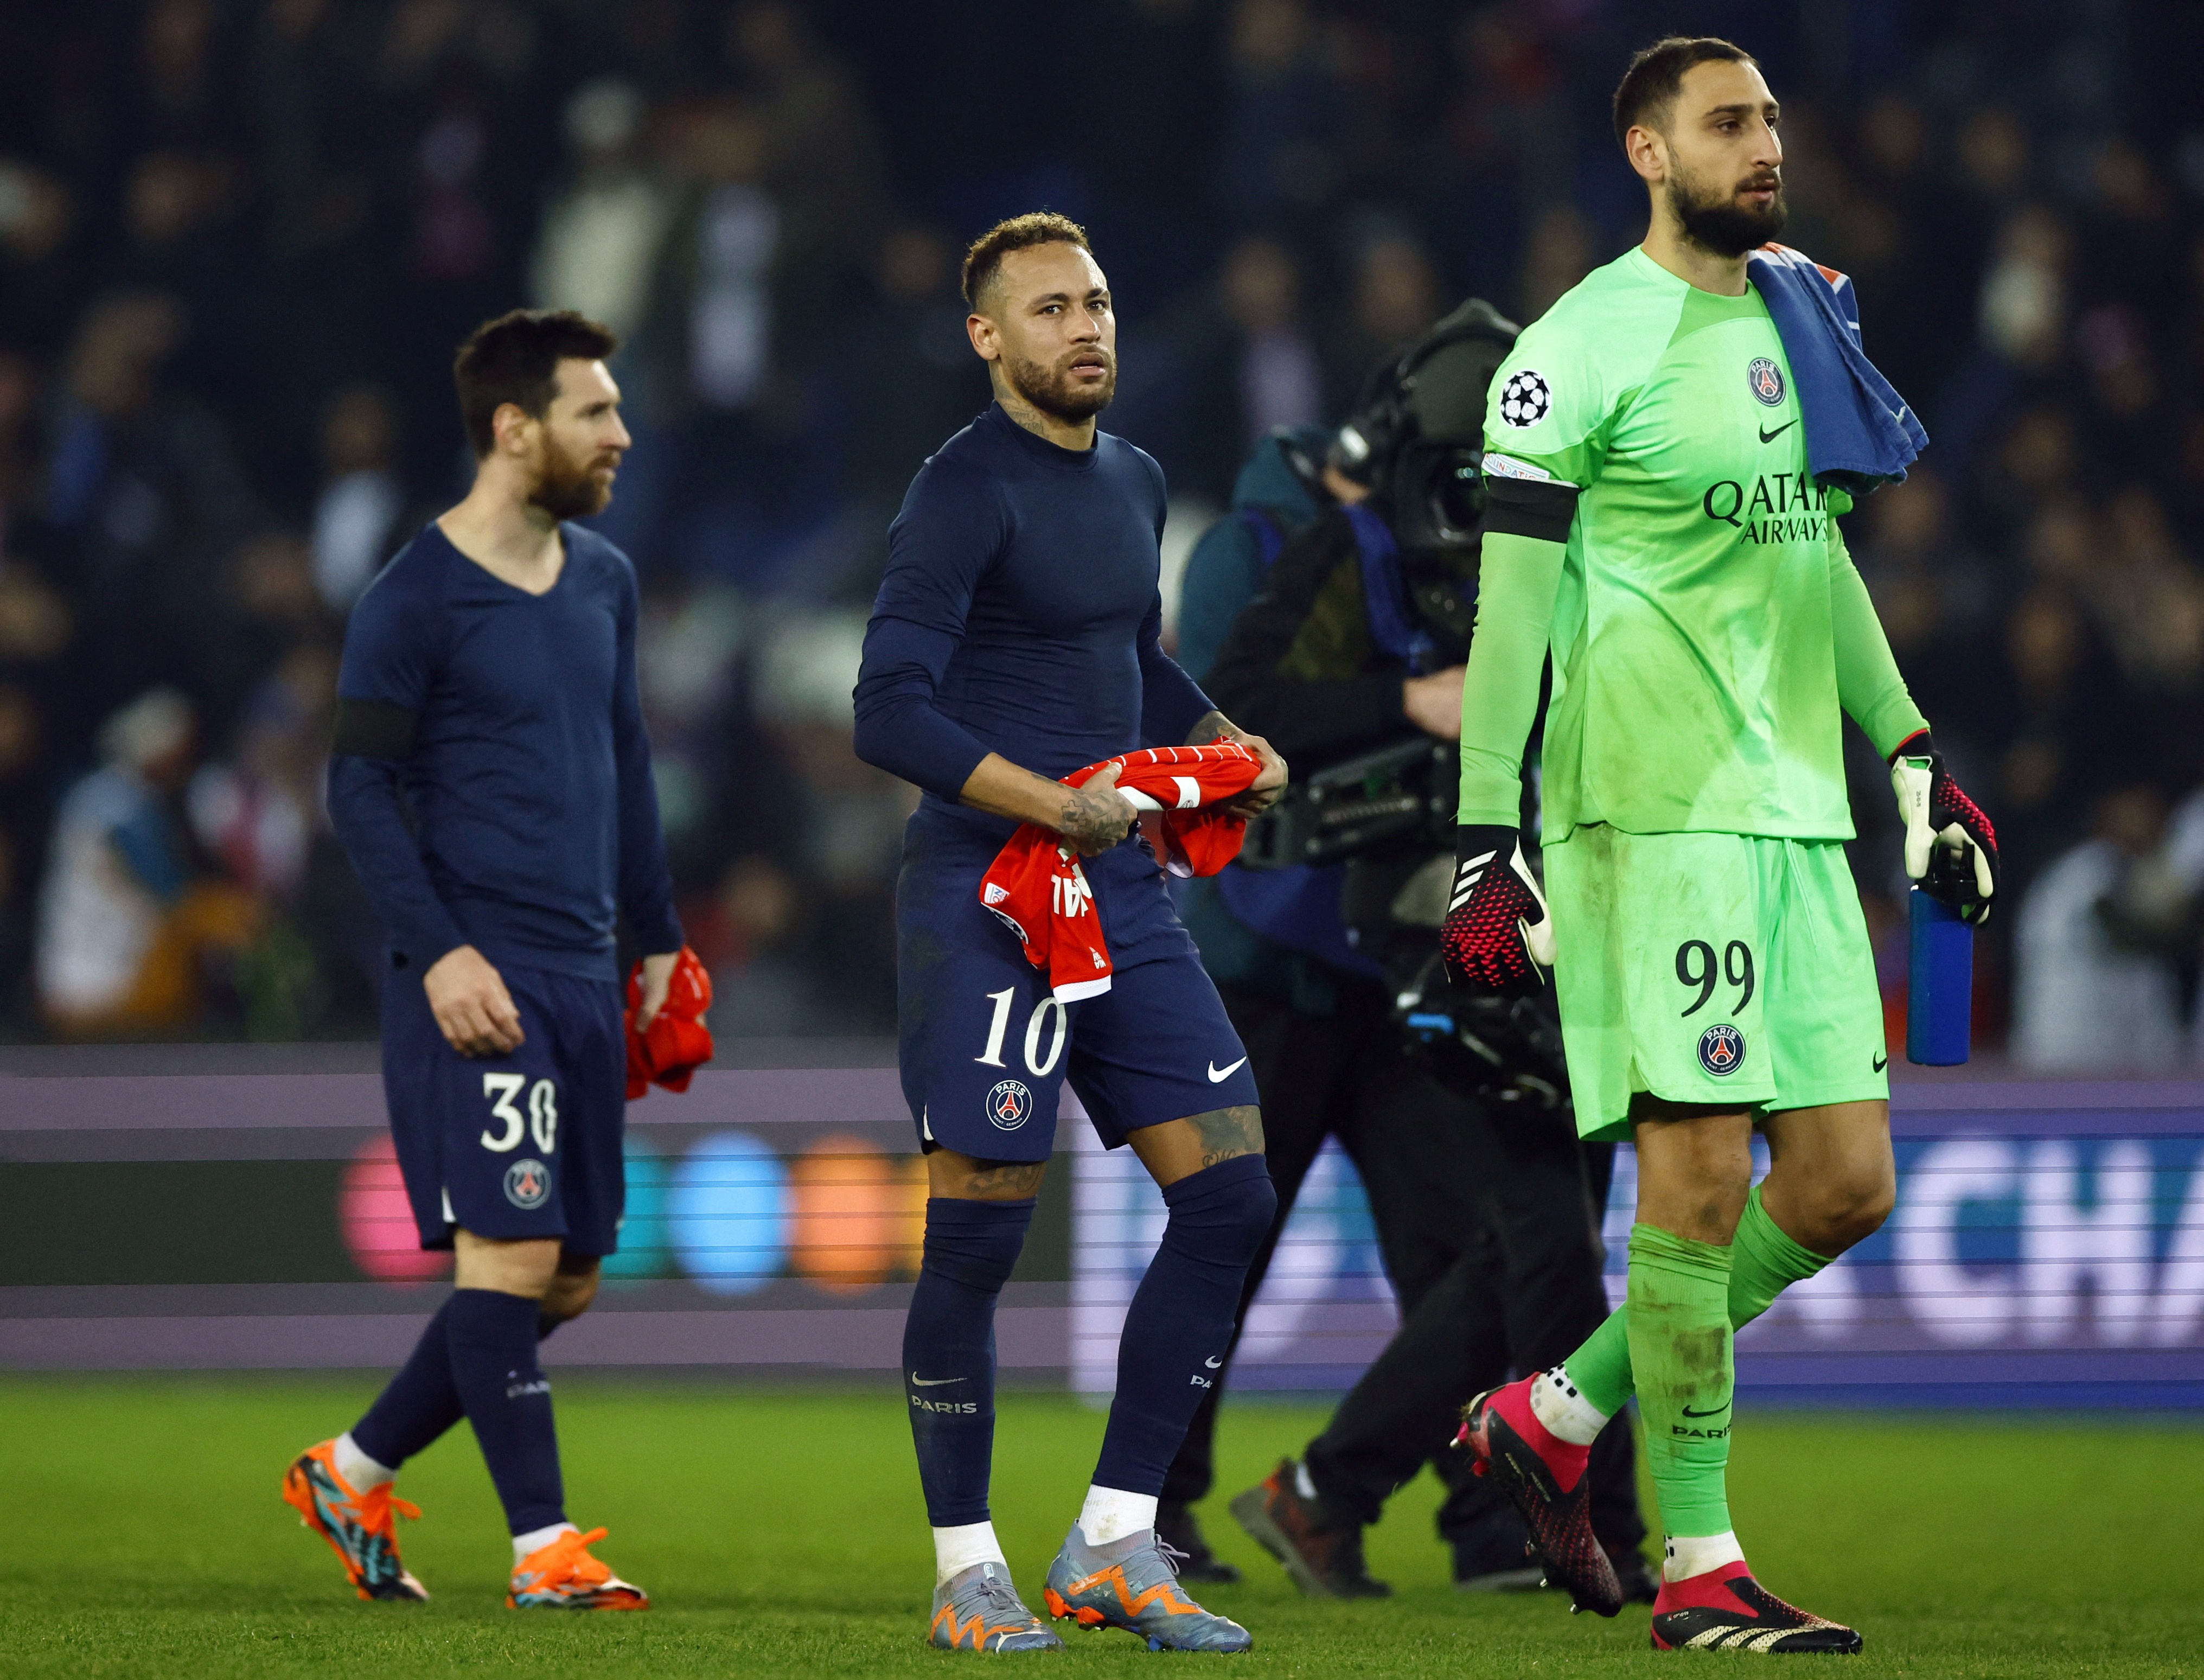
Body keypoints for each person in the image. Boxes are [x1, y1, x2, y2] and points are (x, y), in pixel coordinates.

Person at [1441, 39, 1998, 1655]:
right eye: (1730, 123)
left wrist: (1907, 758)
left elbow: (1812, 556)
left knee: (1840, 1185)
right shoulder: (1569, 353)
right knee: (1690, 1187)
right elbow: (1511, 619)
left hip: (1792, 813)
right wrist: (1492, 837)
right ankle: (1700, 1567)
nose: (1766, 146)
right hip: (1646, 808)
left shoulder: (1805, 305)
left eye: (1772, 121)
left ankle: (1551, 1417)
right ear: (1645, 150)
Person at [1165, 307, 1653, 1601]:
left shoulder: (1464, 555)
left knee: (1470, 1247)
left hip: (1403, 964)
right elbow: (1220, 720)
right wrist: (1408, 703)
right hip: (1269, 963)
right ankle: (1155, 1512)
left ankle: (1474, 1523)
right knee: (1228, 1243)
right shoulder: (1276, 547)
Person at [852, 212, 1286, 1655]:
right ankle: (966, 1568)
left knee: (1229, 1195)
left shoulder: (1138, 479)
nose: (1084, 328)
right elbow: (888, 706)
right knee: (977, 1237)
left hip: (1118, 890)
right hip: (986, 898)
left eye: (1096, 302)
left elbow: (1131, 661)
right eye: (1049, 310)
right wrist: (1047, 800)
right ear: (990, 339)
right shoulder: (960, 492)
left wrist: (1222, 739)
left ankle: (1115, 1538)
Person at [283, 310, 686, 1611]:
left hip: (581, 972)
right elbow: (356, 793)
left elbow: (625, 767)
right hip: (479, 980)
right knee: (508, 1264)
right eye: (594, 412)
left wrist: (663, 941)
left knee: (562, 1277)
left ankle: (349, 1469)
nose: (621, 433)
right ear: (515, 429)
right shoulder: (412, 596)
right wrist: (441, 952)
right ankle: (543, 1550)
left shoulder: (605, 582)